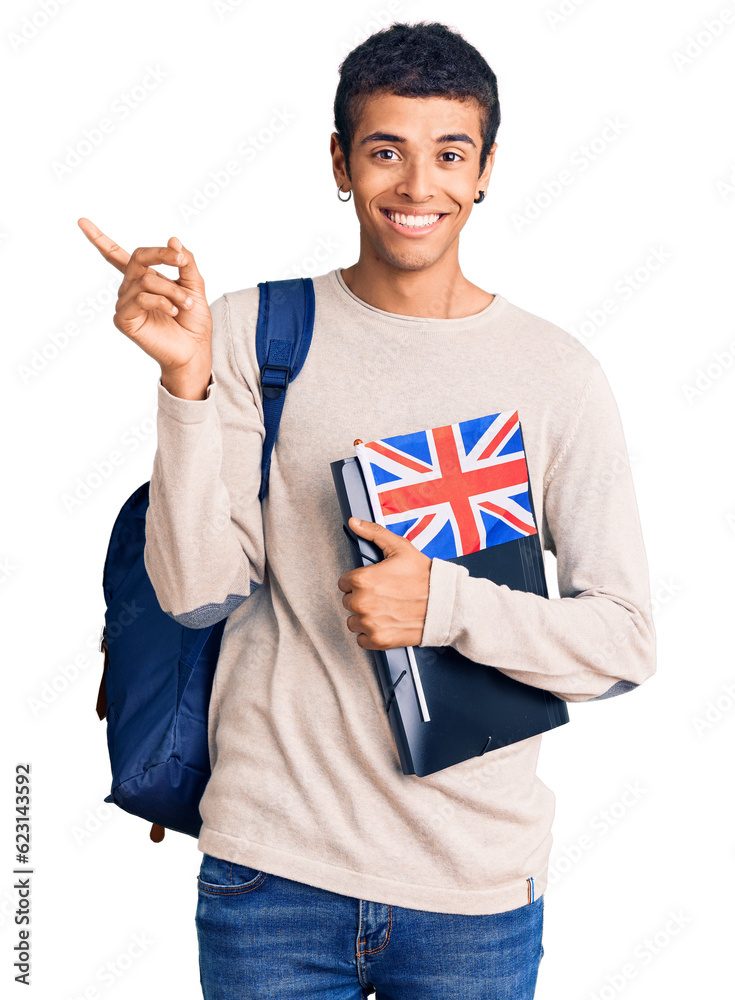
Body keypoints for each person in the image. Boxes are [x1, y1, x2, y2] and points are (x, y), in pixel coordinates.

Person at [79, 19, 656, 1000]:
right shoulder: (254, 332)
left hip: (476, 889)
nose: (418, 186)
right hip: (275, 871)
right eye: (385, 150)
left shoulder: (559, 377)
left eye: (449, 154)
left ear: (486, 172)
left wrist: (445, 605)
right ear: (341, 163)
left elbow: (623, 641)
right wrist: (183, 385)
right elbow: (194, 592)